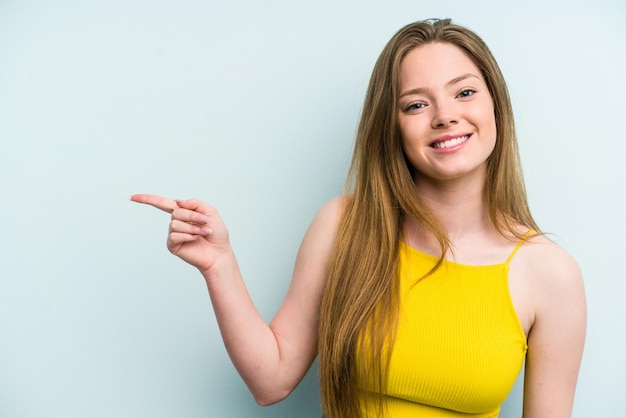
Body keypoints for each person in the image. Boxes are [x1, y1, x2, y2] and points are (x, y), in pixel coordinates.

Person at [131, 18, 586, 418]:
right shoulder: (344, 225)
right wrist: (219, 265)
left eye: (464, 92)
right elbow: (271, 383)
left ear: (495, 108)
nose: (446, 116)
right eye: (415, 104)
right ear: (392, 126)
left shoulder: (550, 274)